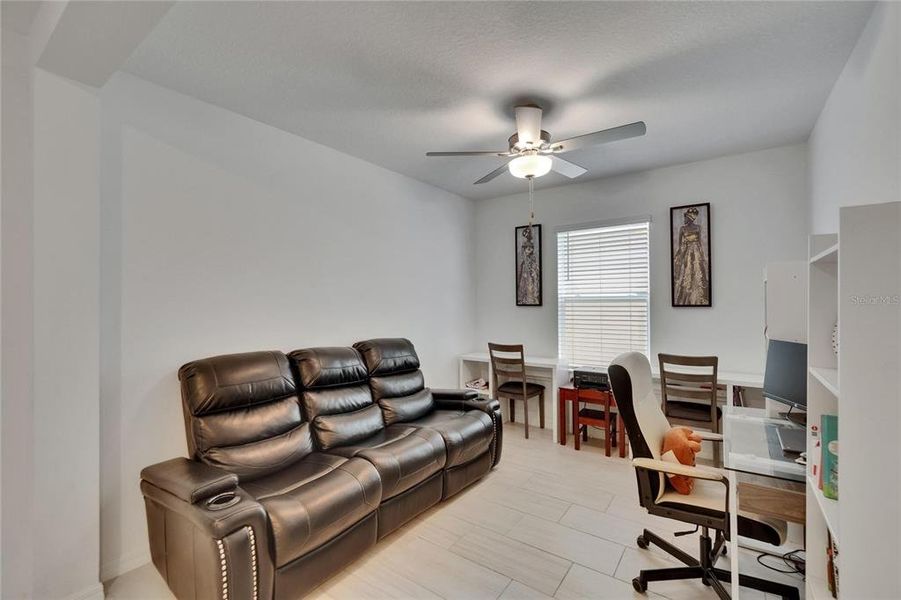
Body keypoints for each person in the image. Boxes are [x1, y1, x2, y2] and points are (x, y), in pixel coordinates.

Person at [673, 207, 709, 305]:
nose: (684, 219)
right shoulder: (682, 229)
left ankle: (698, 297)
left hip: (696, 252)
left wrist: (702, 256)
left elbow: (700, 243)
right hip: (687, 252)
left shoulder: (698, 227)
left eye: (685, 217)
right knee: (687, 272)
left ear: (690, 218)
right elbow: (680, 245)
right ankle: (687, 296)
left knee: (698, 272)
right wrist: (678, 257)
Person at [518, 226, 540, 305]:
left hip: (530, 271)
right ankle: (525, 298)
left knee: (531, 283)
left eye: (530, 248)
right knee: (524, 284)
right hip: (526, 271)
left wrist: (533, 271)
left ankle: (532, 297)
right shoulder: (523, 260)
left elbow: (534, 268)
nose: (529, 249)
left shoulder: (533, 259)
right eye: (527, 248)